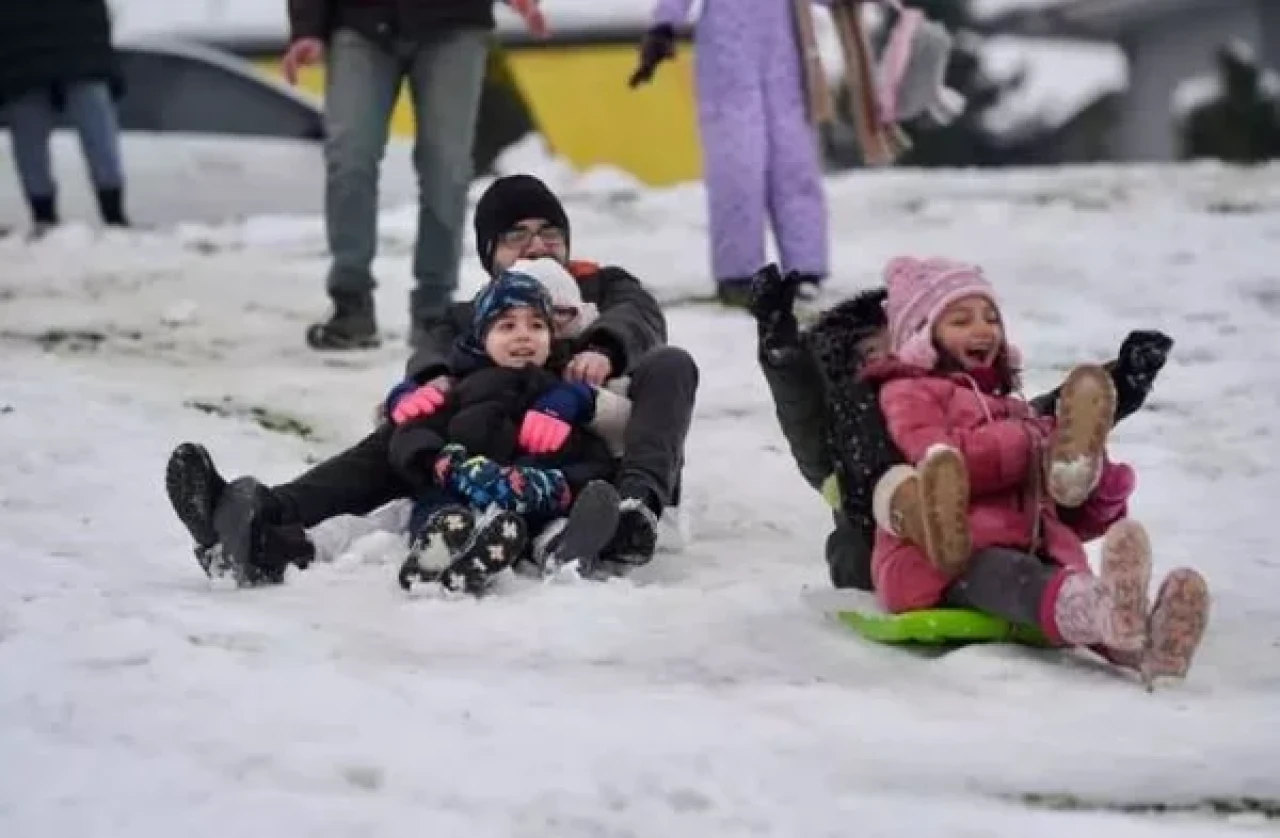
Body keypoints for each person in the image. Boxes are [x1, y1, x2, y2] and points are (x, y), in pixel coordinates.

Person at [165, 174, 699, 587]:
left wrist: (603, 350)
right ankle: (251, 519)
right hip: (482, 449)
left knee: (672, 364)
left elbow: (639, 316)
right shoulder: (475, 314)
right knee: (398, 439)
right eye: (517, 237)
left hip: (583, 454)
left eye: (549, 233)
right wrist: (429, 384)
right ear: (491, 254)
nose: (536, 246)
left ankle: (634, 515)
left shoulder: (601, 287)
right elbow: (434, 349)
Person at [863, 255, 1209, 685]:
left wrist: (1099, 485)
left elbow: (1067, 516)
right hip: (946, 557)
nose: (982, 328)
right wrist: (1028, 443)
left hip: (1034, 545)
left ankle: (1150, 645)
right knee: (1018, 580)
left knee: (1061, 579)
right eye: (960, 320)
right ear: (921, 337)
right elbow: (941, 458)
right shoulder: (909, 392)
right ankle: (1109, 615)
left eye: (991, 317)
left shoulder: (1014, 408)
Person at [747, 263, 1176, 593]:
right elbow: (802, 412)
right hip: (882, 544)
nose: (892, 360)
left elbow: (1040, 421)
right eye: (874, 353)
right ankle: (929, 524)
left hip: (984, 522)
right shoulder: (847, 427)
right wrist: (781, 347)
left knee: (1031, 446)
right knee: (856, 542)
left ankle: (1055, 558)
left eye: (898, 344)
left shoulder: (944, 398)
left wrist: (1120, 380)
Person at [283, 0, 546, 350]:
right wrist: (306, 27)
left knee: (446, 167)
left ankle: (434, 310)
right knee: (350, 158)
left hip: (453, 25)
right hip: (360, 23)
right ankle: (351, 301)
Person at [388, 270, 619, 594]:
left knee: (550, 518)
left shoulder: (557, 393)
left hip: (529, 500)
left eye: (537, 325)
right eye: (507, 326)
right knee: (438, 505)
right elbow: (412, 434)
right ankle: (439, 547)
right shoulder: (459, 389)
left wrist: (561, 486)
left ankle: (557, 548)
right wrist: (442, 464)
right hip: (464, 489)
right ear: (482, 338)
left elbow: (591, 452)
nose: (524, 336)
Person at [629, 0, 829, 306]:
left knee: (794, 163)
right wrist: (664, 24)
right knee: (737, 165)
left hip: (786, 49)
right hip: (728, 49)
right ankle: (738, 273)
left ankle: (805, 269)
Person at [0, 0, 129, 233]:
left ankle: (44, 218)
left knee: (31, 146)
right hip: (77, 58)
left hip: (23, 64)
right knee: (98, 138)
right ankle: (113, 216)